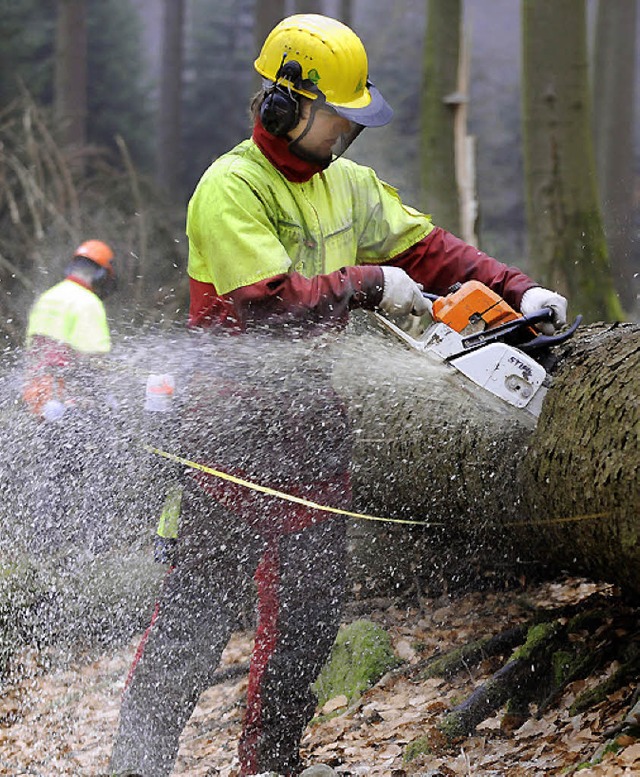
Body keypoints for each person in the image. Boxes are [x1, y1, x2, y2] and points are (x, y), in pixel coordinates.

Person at [110, 13, 568, 777]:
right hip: (229, 427)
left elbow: (428, 251)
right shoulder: (231, 187)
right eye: (336, 118)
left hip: (313, 421)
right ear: (286, 105)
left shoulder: (348, 185)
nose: (348, 135)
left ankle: (270, 762)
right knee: (199, 610)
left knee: (310, 616)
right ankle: (138, 759)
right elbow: (266, 301)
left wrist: (517, 292)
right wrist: (367, 283)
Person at [22, 239, 117, 552]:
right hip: (71, 402)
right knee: (98, 471)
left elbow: (34, 353)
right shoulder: (87, 303)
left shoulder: (48, 297)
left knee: (52, 475)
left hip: (41, 401)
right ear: (101, 274)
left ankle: (44, 544)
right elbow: (96, 362)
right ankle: (94, 545)